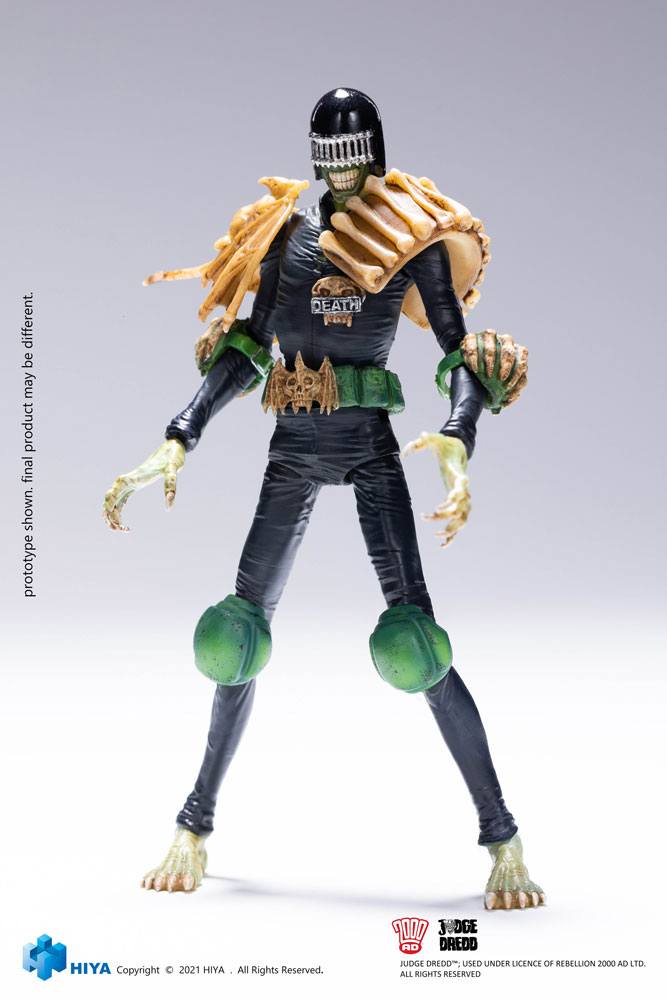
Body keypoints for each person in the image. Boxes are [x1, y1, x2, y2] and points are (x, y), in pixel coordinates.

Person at [104, 88, 543, 910]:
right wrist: (181, 433)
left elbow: (458, 355)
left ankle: (503, 839)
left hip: (371, 448)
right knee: (233, 638)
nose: (342, 172)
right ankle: (193, 826)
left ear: (374, 152)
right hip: (293, 447)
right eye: (330, 158)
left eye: (353, 156)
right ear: (315, 159)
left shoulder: (410, 241)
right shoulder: (289, 239)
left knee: (417, 646)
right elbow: (247, 346)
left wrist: (460, 435)